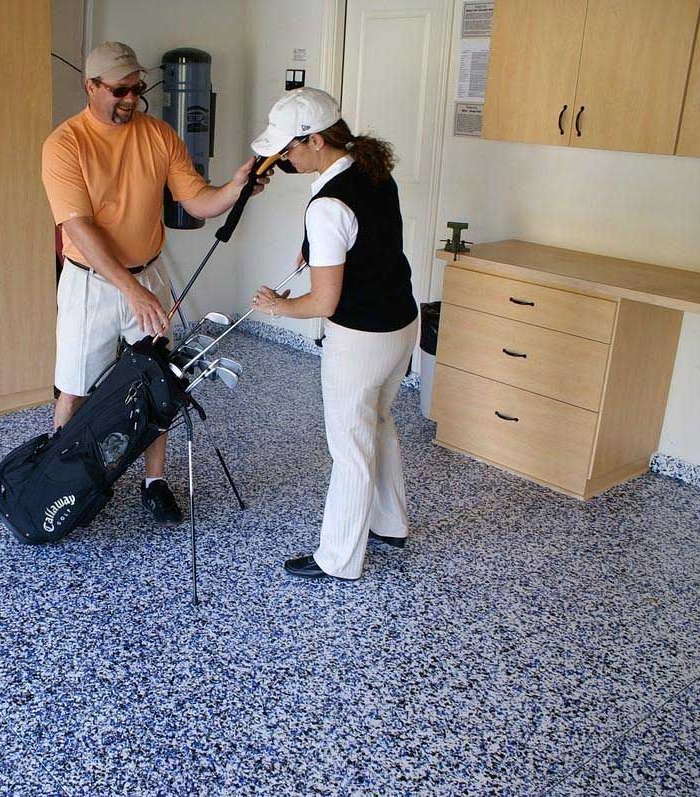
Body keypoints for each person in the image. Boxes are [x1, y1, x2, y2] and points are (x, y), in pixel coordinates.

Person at [42, 42, 269, 526]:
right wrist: (130, 289)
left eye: (137, 89)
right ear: (91, 85)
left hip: (148, 274)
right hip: (92, 282)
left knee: (159, 381)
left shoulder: (158, 134)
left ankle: (155, 481)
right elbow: (77, 227)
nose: (131, 99)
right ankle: (58, 481)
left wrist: (235, 186)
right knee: (76, 388)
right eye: (120, 90)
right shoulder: (65, 144)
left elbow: (198, 201)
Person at [249, 88, 418, 580]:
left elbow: (323, 302)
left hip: (360, 339)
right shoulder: (372, 171)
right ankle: (391, 523)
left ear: (316, 141)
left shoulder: (327, 204)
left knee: (350, 447)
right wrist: (314, 243)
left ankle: (339, 559)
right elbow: (367, 233)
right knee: (379, 421)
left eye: (288, 152)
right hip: (400, 325)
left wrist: (277, 307)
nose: (283, 161)